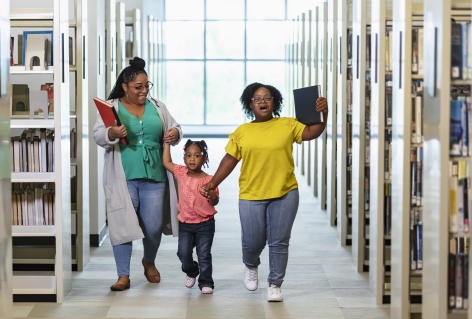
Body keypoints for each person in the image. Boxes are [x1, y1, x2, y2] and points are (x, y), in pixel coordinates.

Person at [200, 82, 328, 302]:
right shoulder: (243, 131)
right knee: (252, 242)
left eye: (267, 98)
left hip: (285, 192)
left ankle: (275, 284)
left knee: (279, 241)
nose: (262, 101)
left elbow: (312, 132)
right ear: (249, 104)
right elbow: (230, 159)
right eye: (257, 98)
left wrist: (324, 113)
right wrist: (213, 182)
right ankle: (251, 264)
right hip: (251, 195)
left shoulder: (288, 124)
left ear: (274, 102)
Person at [92, 57, 182, 291]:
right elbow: (98, 135)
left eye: (146, 85)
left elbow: (176, 126)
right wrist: (111, 132)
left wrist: (174, 133)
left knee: (153, 226)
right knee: (122, 224)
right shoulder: (110, 106)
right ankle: (123, 275)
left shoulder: (158, 106)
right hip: (124, 175)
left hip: (155, 174)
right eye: (138, 87)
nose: (143, 91)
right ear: (125, 86)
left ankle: (148, 261)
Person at [162, 139, 219, 294]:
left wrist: (211, 193)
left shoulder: (210, 180)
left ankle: (206, 282)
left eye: (197, 155)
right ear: (184, 158)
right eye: (188, 155)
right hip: (186, 224)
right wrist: (166, 143)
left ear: (205, 158)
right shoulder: (181, 173)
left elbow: (215, 202)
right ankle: (191, 271)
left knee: (204, 254)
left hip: (206, 224)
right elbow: (166, 162)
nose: (192, 159)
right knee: (183, 253)